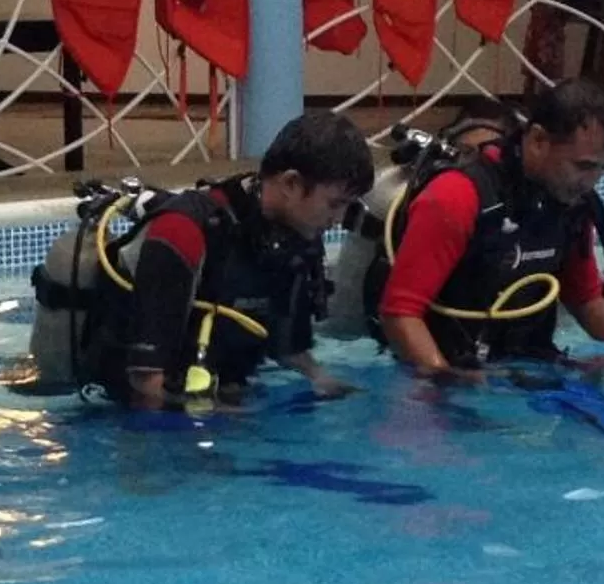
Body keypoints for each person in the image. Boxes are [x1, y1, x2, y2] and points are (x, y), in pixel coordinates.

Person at [30, 110, 373, 408]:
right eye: (334, 204)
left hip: (212, 389)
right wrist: (225, 420)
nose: (339, 219)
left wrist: (319, 378)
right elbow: (145, 385)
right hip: (126, 410)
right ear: (291, 184)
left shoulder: (294, 236)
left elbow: (285, 344)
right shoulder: (184, 232)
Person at [359, 79, 604, 376]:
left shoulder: (572, 204)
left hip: (526, 363)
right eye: (583, 166)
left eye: (603, 168)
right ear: (538, 140)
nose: (592, 182)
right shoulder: (457, 196)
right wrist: (447, 381)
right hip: (448, 369)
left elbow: (588, 300)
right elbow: (400, 312)